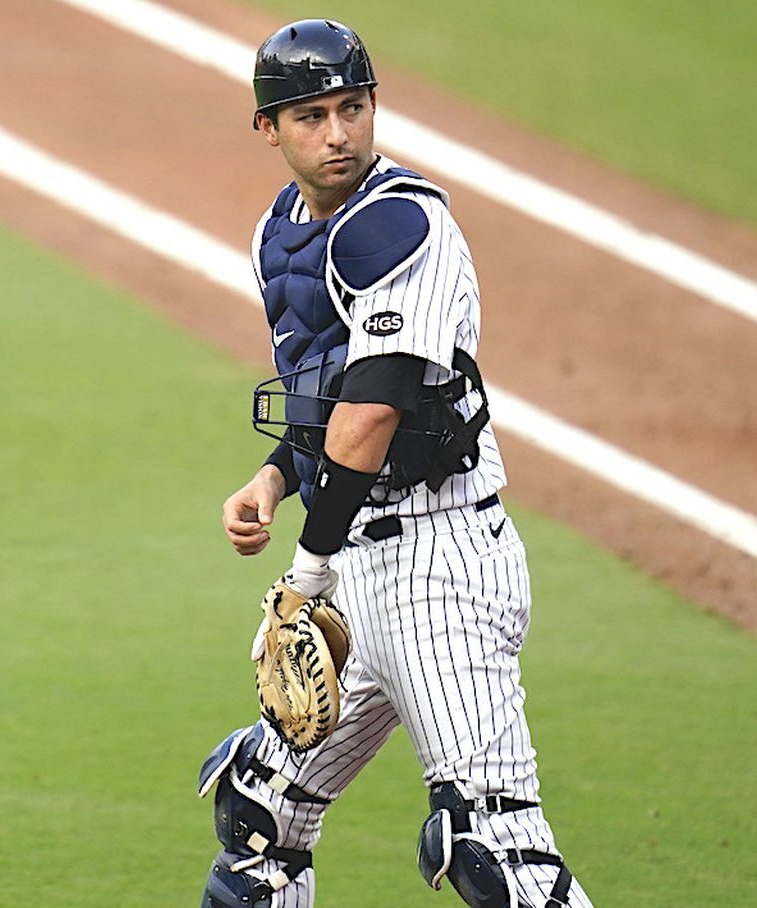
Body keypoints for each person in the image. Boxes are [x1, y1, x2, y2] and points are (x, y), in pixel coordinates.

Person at [197, 18, 595, 908]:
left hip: (436, 566)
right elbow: (325, 393)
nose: (337, 134)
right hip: (359, 569)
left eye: (353, 108)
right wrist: (271, 478)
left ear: (373, 106)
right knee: (260, 814)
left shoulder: (399, 227)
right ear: (269, 128)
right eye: (310, 116)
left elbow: (372, 413)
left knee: (493, 849)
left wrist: (303, 581)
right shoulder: (281, 231)